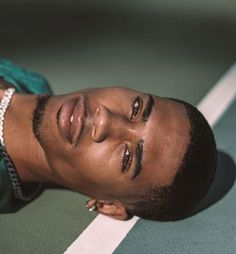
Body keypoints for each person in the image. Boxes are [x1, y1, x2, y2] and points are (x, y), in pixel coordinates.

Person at [0, 59, 217, 221]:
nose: (104, 119)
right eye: (136, 107)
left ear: (108, 205)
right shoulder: (27, 80)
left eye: (126, 158)